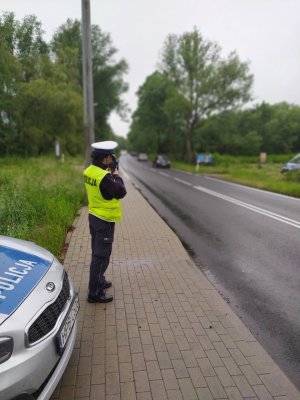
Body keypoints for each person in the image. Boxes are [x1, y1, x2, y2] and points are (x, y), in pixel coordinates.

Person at [83, 140, 127, 303]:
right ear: (107, 158)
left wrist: (109, 173)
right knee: (101, 256)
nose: (113, 159)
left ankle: (99, 280)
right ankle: (94, 292)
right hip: (104, 220)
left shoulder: (89, 171)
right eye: (112, 157)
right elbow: (121, 192)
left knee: (98, 251)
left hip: (94, 216)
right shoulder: (105, 177)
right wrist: (116, 175)